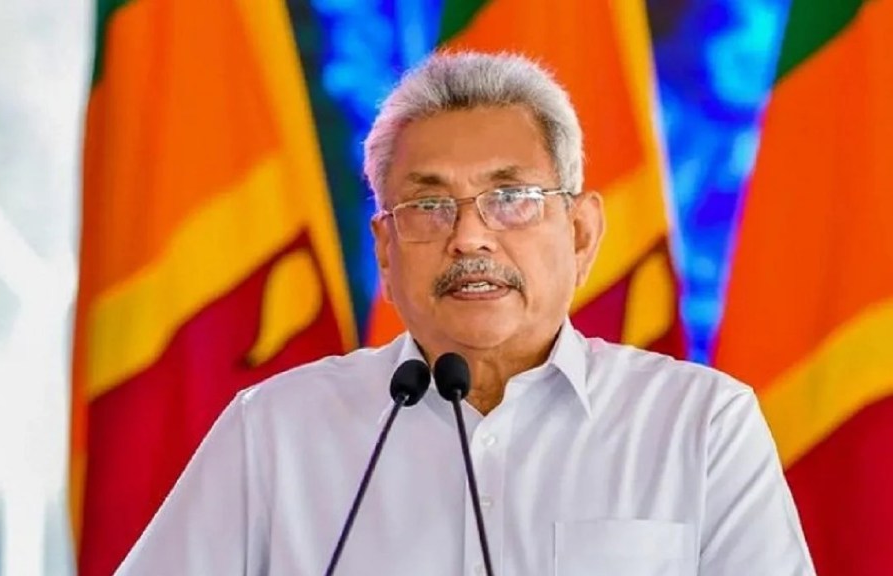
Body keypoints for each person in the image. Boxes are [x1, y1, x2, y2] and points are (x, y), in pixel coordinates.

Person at [115, 51, 815, 575]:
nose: (470, 237)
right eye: (428, 205)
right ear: (385, 251)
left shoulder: (700, 424)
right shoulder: (276, 431)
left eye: (511, 199)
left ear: (580, 234)